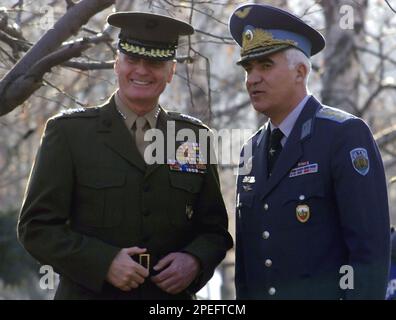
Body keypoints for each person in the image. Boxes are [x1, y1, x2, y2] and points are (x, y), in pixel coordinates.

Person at [18, 11, 233, 300]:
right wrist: (102, 262)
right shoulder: (68, 134)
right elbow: (37, 228)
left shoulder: (194, 138)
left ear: (171, 71)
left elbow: (215, 231)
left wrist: (194, 260)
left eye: (155, 62)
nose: (142, 71)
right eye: (132, 59)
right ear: (117, 65)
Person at [229, 3, 390, 299]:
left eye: (265, 65)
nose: (252, 78)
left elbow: (370, 254)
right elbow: (247, 269)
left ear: (300, 72)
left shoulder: (343, 135)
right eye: (248, 68)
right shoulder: (250, 151)